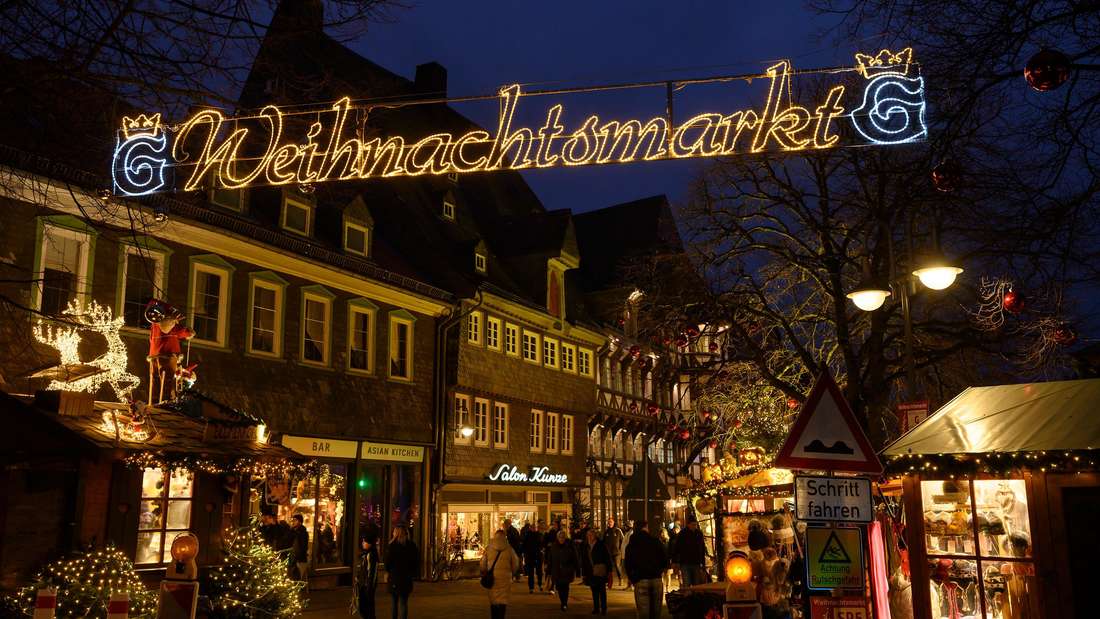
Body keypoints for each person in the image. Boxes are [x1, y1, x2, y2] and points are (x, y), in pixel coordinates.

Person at [624, 519, 667, 619]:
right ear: (646, 528)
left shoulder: (632, 544)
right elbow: (664, 559)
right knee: (656, 612)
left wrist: (632, 578)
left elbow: (628, 563)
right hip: (656, 578)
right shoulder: (655, 541)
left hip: (640, 579)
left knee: (643, 612)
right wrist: (659, 571)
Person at [481, 530, 520, 619]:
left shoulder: (489, 548)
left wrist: (484, 571)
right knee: (503, 600)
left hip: (492, 577)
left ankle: (494, 616)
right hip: (505, 578)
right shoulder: (509, 548)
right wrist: (512, 573)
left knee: (493, 599)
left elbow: (483, 563)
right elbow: (516, 563)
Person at [384, 525, 418, 619]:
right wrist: (413, 573)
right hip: (406, 577)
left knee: (394, 602)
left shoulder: (392, 545)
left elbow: (388, 562)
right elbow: (415, 561)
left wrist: (387, 572)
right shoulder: (411, 545)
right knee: (404, 602)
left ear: (396, 533)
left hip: (394, 577)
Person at [580, 529, 612, 615]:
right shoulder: (586, 546)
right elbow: (584, 561)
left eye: (591, 535)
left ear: (595, 536)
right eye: (588, 535)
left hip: (600, 571)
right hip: (590, 571)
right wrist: (583, 574)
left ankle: (604, 608)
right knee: (594, 590)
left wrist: (609, 571)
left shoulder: (601, 545)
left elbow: (607, 558)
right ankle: (596, 608)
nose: (589, 537)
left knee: (601, 590)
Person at [548, 529, 580, 611]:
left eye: (563, 537)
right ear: (557, 538)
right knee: (559, 587)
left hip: (567, 570)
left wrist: (577, 569)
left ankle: (564, 603)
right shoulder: (554, 546)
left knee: (565, 587)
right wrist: (548, 570)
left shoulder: (570, 546)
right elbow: (550, 559)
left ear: (565, 538)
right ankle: (563, 601)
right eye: (560, 537)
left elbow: (575, 558)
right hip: (557, 571)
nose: (561, 539)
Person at [673, 516, 708, 588]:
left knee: (697, 584)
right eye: (692, 524)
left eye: (695, 524)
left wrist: (703, 563)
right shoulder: (682, 534)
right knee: (687, 584)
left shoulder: (699, 533)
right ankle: (688, 598)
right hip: (685, 563)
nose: (694, 526)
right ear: (688, 524)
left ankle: (696, 598)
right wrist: (675, 562)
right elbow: (677, 548)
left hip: (696, 563)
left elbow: (702, 548)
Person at [357, 534, 379, 619]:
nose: (363, 543)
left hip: (367, 585)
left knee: (367, 607)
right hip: (365, 584)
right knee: (365, 606)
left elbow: (372, 572)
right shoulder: (367, 553)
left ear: (369, 543)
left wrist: (369, 586)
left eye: (364, 541)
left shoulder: (371, 554)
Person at [522, 519, 545, 592]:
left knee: (538, 572)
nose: (534, 529)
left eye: (534, 527)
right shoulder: (529, 535)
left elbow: (542, 544)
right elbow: (524, 545)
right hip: (532, 555)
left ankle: (539, 584)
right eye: (533, 527)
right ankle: (532, 587)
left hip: (536, 555)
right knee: (532, 572)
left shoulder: (537, 535)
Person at [604, 518, 624, 588]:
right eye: (609, 522)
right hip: (608, 553)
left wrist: (620, 550)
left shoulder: (618, 530)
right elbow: (604, 542)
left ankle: (620, 579)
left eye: (611, 522)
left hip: (616, 553)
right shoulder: (606, 532)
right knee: (608, 568)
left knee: (617, 566)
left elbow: (623, 540)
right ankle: (609, 582)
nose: (610, 523)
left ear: (613, 522)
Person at [290, 514, 310, 584]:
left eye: (295, 520)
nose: (293, 522)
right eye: (292, 520)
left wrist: (298, 557)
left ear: (300, 522)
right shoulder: (292, 531)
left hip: (299, 558)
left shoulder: (303, 533)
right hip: (292, 556)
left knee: (297, 575)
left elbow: (303, 547)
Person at [543, 520, 561, 595]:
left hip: (558, 555)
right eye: (553, 524)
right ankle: (550, 586)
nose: (554, 526)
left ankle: (555, 586)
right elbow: (545, 542)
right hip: (550, 554)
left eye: (555, 524)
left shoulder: (560, 532)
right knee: (550, 571)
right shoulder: (550, 532)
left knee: (557, 571)